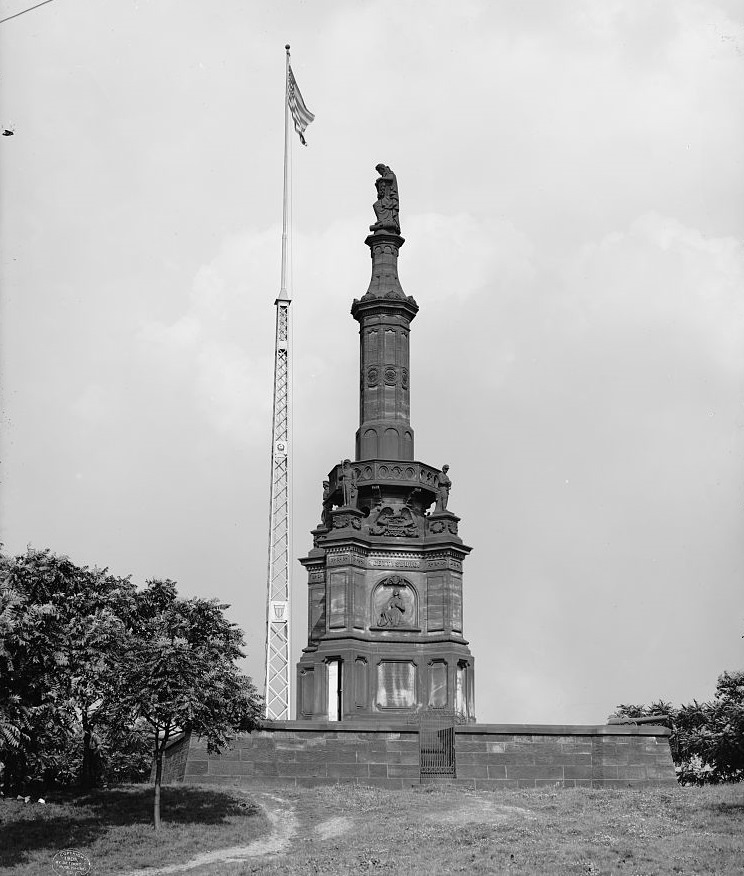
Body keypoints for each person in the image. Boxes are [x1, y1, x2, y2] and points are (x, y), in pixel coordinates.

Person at [370, 164, 400, 233]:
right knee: (377, 205)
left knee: (377, 205)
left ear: (382, 169)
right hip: (385, 198)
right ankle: (382, 220)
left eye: (379, 171)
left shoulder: (390, 174)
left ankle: (386, 221)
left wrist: (381, 179)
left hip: (390, 198)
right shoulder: (385, 176)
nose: (379, 173)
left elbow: (390, 178)